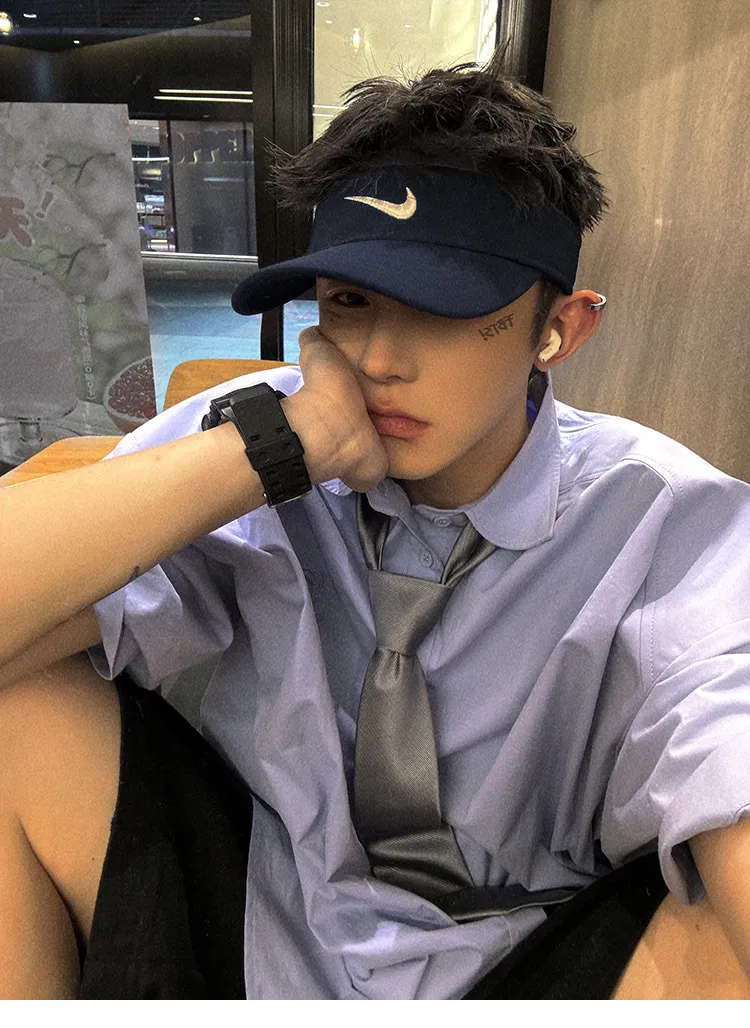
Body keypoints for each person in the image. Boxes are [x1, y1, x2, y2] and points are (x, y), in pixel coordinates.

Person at [1, 48, 750, 1001]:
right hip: (268, 907)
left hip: (530, 953)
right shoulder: (268, 441)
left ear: (560, 327)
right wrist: (281, 452)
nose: (383, 359)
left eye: (446, 307)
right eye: (351, 301)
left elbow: (729, 731)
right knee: (18, 700)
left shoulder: (664, 520)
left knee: (714, 933)